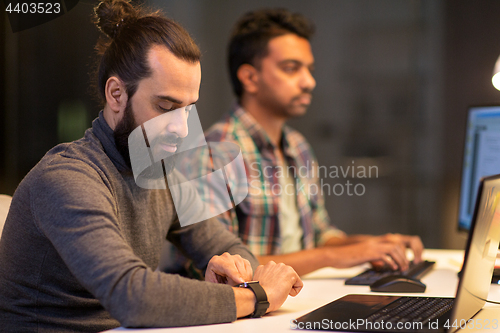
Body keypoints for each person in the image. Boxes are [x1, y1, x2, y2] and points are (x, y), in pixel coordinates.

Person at [0, 1, 302, 332]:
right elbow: (134, 298)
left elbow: (230, 246)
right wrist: (256, 297)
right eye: (165, 106)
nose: (182, 129)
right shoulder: (66, 178)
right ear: (116, 94)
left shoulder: (162, 172)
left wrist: (236, 270)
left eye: (188, 110)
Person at [194, 8, 425, 277]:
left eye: (309, 70)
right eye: (291, 68)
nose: (309, 82)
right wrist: (332, 257)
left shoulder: (297, 145)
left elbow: (320, 235)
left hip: (298, 292)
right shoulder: (215, 152)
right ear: (250, 78)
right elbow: (221, 265)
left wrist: (373, 245)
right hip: (249, 310)